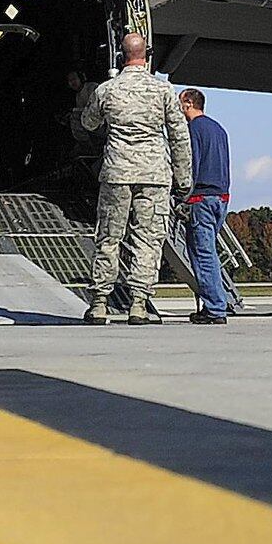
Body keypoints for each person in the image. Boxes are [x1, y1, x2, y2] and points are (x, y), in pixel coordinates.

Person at [79, 33, 191, 325]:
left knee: (109, 237)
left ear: (122, 55)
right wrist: (183, 180)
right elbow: (180, 137)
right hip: (154, 174)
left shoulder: (108, 89)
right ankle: (138, 303)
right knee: (147, 238)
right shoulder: (163, 91)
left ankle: (100, 302)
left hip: (117, 172)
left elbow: (88, 123)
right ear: (146, 54)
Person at [178, 87, 231, 325]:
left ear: (189, 103)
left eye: (180, 103)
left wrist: (182, 195)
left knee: (202, 255)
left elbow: (192, 164)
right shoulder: (218, 129)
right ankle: (215, 303)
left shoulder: (193, 129)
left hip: (201, 198)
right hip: (221, 196)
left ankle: (215, 307)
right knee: (209, 253)